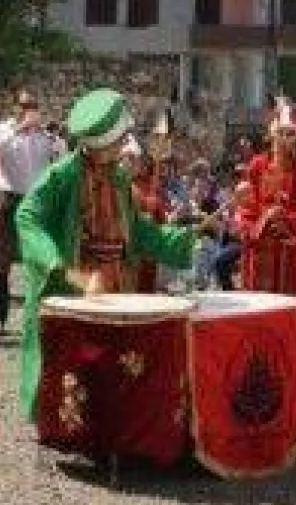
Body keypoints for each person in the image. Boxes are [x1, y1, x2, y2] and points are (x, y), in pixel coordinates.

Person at [14, 88, 200, 419]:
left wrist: (181, 239)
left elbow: (138, 231)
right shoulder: (62, 176)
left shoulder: (118, 177)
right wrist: (62, 269)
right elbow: (26, 217)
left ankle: (108, 420)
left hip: (115, 283)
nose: (123, 145)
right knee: (73, 363)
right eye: (119, 140)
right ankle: (67, 425)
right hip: (75, 287)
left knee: (111, 357)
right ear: (99, 143)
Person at [0, 89, 60, 333]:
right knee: (0, 260)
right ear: (14, 106)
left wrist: (52, 136)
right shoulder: (2, 129)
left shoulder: (44, 135)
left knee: (39, 258)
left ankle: (39, 316)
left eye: (33, 105)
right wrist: (19, 129)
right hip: (8, 197)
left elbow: (61, 156)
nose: (29, 109)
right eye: (24, 105)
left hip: (35, 199)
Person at [235, 98, 296, 298]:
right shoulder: (257, 166)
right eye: (280, 133)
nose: (284, 138)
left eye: (290, 134)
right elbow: (246, 205)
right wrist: (265, 219)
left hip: (292, 246)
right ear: (272, 134)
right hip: (262, 243)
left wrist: (286, 220)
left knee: (290, 300)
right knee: (260, 304)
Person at [123, 137, 169, 293]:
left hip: (146, 250)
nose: (131, 163)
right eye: (128, 159)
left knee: (146, 290)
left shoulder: (150, 184)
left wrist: (155, 209)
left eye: (134, 159)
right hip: (125, 250)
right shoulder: (117, 184)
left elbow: (161, 217)